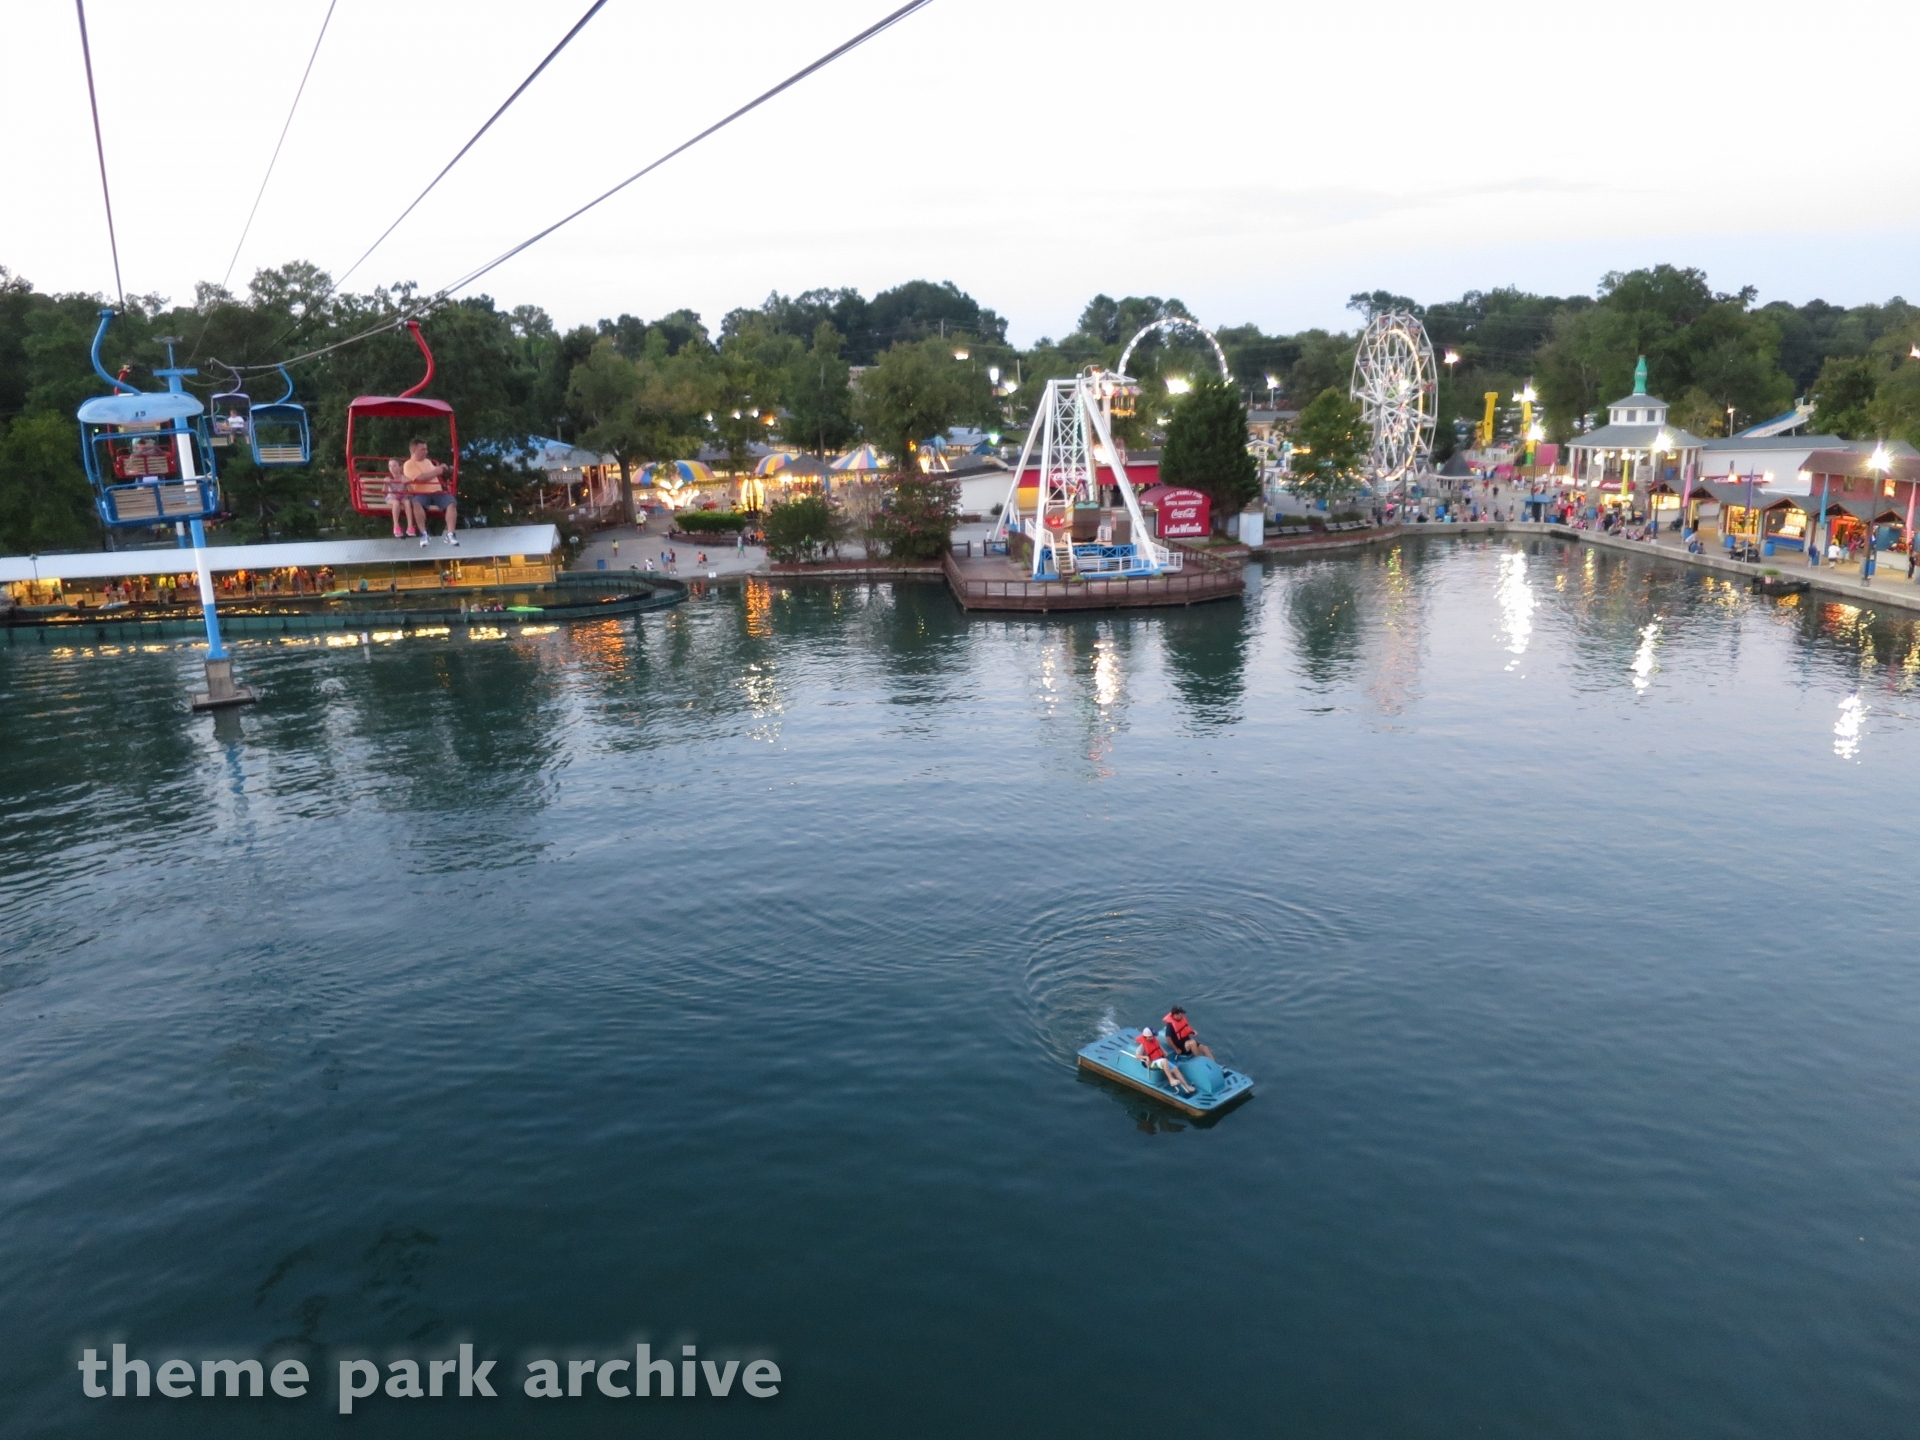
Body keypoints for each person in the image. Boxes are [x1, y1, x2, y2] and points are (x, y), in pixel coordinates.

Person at [401, 438, 458, 546]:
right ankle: (424, 533)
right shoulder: (408, 464)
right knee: (417, 504)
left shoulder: (427, 461)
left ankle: (451, 534)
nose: (426, 452)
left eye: (426, 449)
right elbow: (420, 478)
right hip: (421, 493)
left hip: (437, 491)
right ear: (414, 451)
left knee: (451, 503)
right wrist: (438, 471)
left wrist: (441, 468)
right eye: (423, 449)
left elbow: (433, 471)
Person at [1134, 1028, 1194, 1096]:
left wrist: (1164, 1051)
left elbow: (1158, 1046)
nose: (1153, 1037)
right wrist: (1146, 1057)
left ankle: (1187, 1086)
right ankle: (1171, 1080)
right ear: (1147, 1037)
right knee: (1164, 1061)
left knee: (1175, 1068)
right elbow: (1137, 1056)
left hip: (1160, 1060)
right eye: (1151, 1036)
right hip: (1152, 1063)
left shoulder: (1154, 1040)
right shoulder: (1142, 1046)